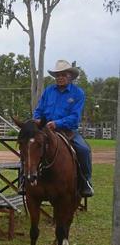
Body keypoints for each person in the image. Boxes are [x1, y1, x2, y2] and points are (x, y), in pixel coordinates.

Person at [21, 59, 93, 197]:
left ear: (70, 76)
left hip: (67, 131)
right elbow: (39, 109)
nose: (60, 77)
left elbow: (75, 116)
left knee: (84, 149)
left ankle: (86, 182)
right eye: (57, 75)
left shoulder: (78, 93)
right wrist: (37, 119)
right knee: (28, 147)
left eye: (63, 75)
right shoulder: (48, 91)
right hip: (45, 130)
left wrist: (57, 123)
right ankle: (23, 180)